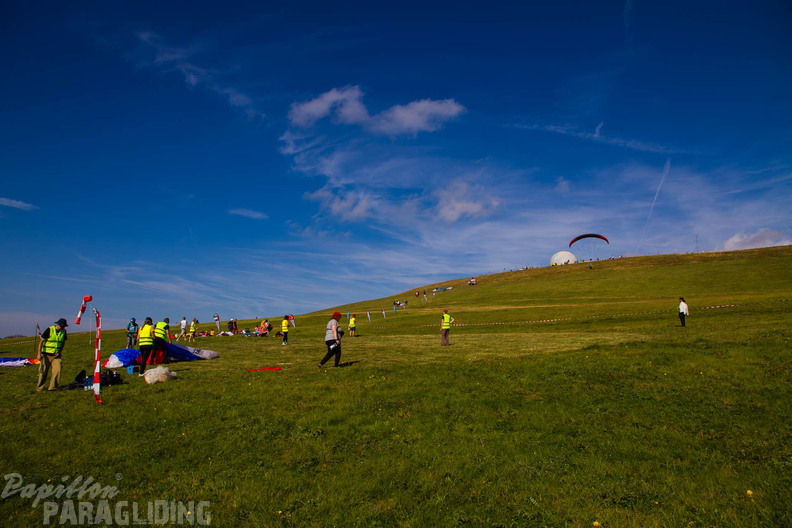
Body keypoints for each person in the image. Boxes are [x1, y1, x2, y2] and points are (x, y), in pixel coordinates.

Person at [36, 318, 68, 391]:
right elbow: (41, 341)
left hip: (56, 356)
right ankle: (39, 388)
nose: (62, 328)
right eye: (61, 326)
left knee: (57, 370)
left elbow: (63, 342)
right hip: (45, 355)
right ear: (57, 324)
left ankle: (52, 388)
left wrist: (59, 352)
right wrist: (39, 354)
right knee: (43, 372)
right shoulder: (49, 330)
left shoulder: (64, 332)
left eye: (64, 327)